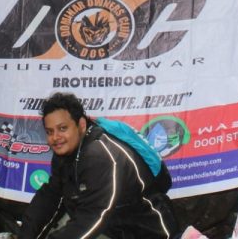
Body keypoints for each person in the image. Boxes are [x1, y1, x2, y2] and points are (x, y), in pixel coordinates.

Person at [19, 92, 177, 239]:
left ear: (81, 124)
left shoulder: (100, 155)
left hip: (148, 231)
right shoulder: (66, 152)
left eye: (62, 128)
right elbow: (51, 197)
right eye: (49, 132)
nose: (55, 137)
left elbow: (93, 217)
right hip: (111, 226)